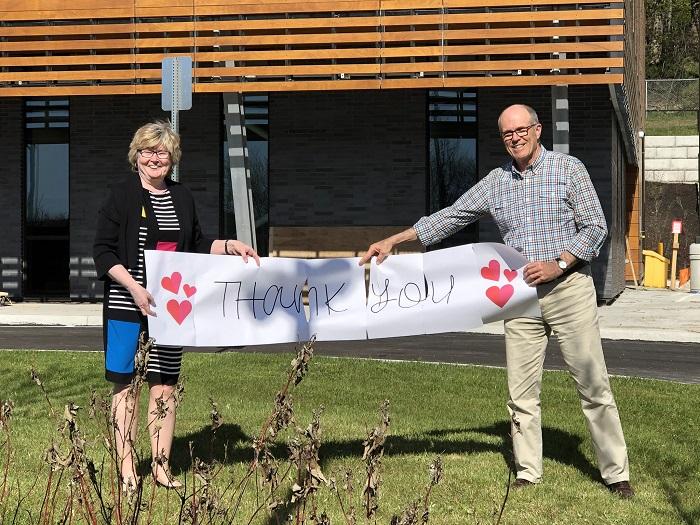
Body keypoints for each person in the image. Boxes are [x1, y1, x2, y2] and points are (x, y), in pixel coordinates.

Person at [359, 104, 633, 498]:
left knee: (593, 385)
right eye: (507, 134)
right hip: (519, 298)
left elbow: (595, 227)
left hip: (569, 289)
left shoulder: (568, 169)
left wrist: (558, 263)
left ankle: (616, 473)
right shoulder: (496, 182)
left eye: (521, 130)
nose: (515, 138)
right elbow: (452, 216)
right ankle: (527, 472)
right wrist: (393, 241)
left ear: (538, 130)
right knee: (521, 392)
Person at [93, 121, 259, 490]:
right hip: (126, 303)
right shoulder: (120, 194)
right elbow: (102, 252)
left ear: (172, 158)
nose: (155, 158)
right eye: (148, 152)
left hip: (170, 307)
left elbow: (196, 244)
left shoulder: (182, 197)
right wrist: (134, 287)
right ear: (136, 156)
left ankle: (162, 466)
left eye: (162, 152)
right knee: (126, 385)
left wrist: (230, 246)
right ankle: (126, 469)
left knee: (164, 385)